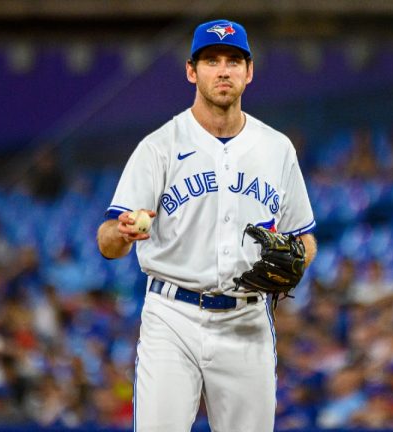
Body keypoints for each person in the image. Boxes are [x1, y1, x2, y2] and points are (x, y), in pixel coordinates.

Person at [97, 18, 317, 431]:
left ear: (248, 72)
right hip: (171, 316)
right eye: (211, 60)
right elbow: (107, 241)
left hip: (246, 319)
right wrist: (122, 233)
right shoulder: (159, 146)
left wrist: (299, 261)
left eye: (233, 61)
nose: (223, 70)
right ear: (191, 71)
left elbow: (304, 237)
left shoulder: (276, 148)